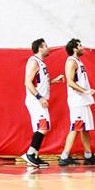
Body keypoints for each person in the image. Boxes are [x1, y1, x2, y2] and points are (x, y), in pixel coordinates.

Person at [58, 39, 95, 166]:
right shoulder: (71, 61)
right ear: (74, 49)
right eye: (80, 45)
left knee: (85, 129)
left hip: (83, 101)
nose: (82, 47)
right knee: (76, 127)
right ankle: (64, 156)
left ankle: (88, 155)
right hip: (77, 100)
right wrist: (86, 91)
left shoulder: (78, 61)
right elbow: (70, 82)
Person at [22, 38, 65, 167]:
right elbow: (27, 82)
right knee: (43, 127)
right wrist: (39, 97)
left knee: (42, 127)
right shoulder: (33, 61)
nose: (48, 48)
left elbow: (40, 82)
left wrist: (54, 81)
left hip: (39, 99)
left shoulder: (41, 63)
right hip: (35, 100)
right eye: (46, 46)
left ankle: (34, 154)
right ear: (40, 48)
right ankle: (29, 153)